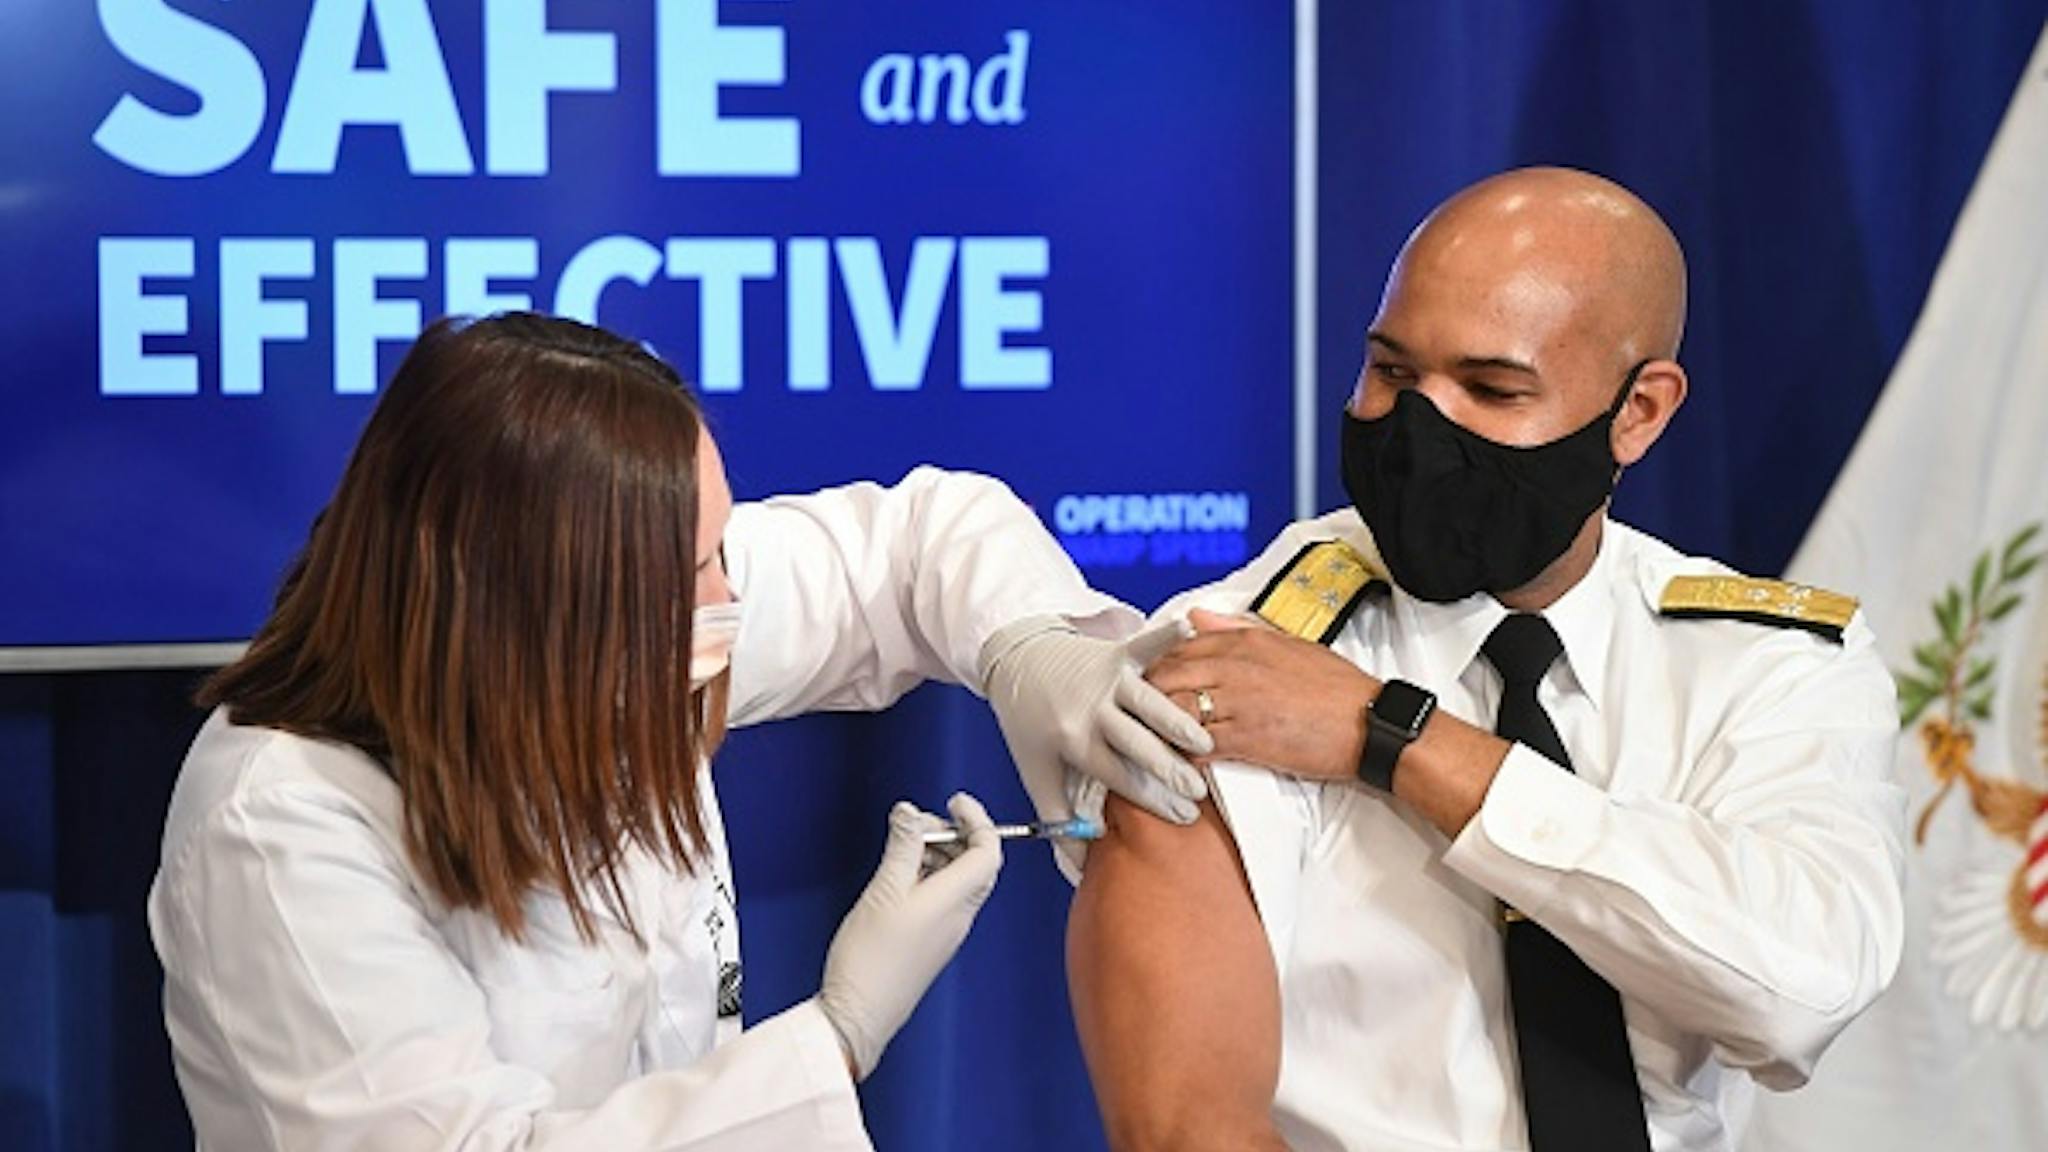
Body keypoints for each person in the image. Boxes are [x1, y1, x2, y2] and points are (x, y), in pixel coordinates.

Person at [149, 312, 1210, 1150]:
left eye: (717, 549)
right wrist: (832, 1039)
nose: (729, 599)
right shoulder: (282, 826)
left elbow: (919, 543)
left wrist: (1030, 648)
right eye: (695, 570)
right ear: (537, 602)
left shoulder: (618, 643)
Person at [1062, 168, 1907, 1152]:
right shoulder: (1244, 646)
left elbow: (1801, 989)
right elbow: (1185, 1126)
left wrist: (1393, 739)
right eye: (1389, 374)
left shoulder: (1763, 664)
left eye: (1491, 388)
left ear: (1638, 412)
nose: (1418, 433)